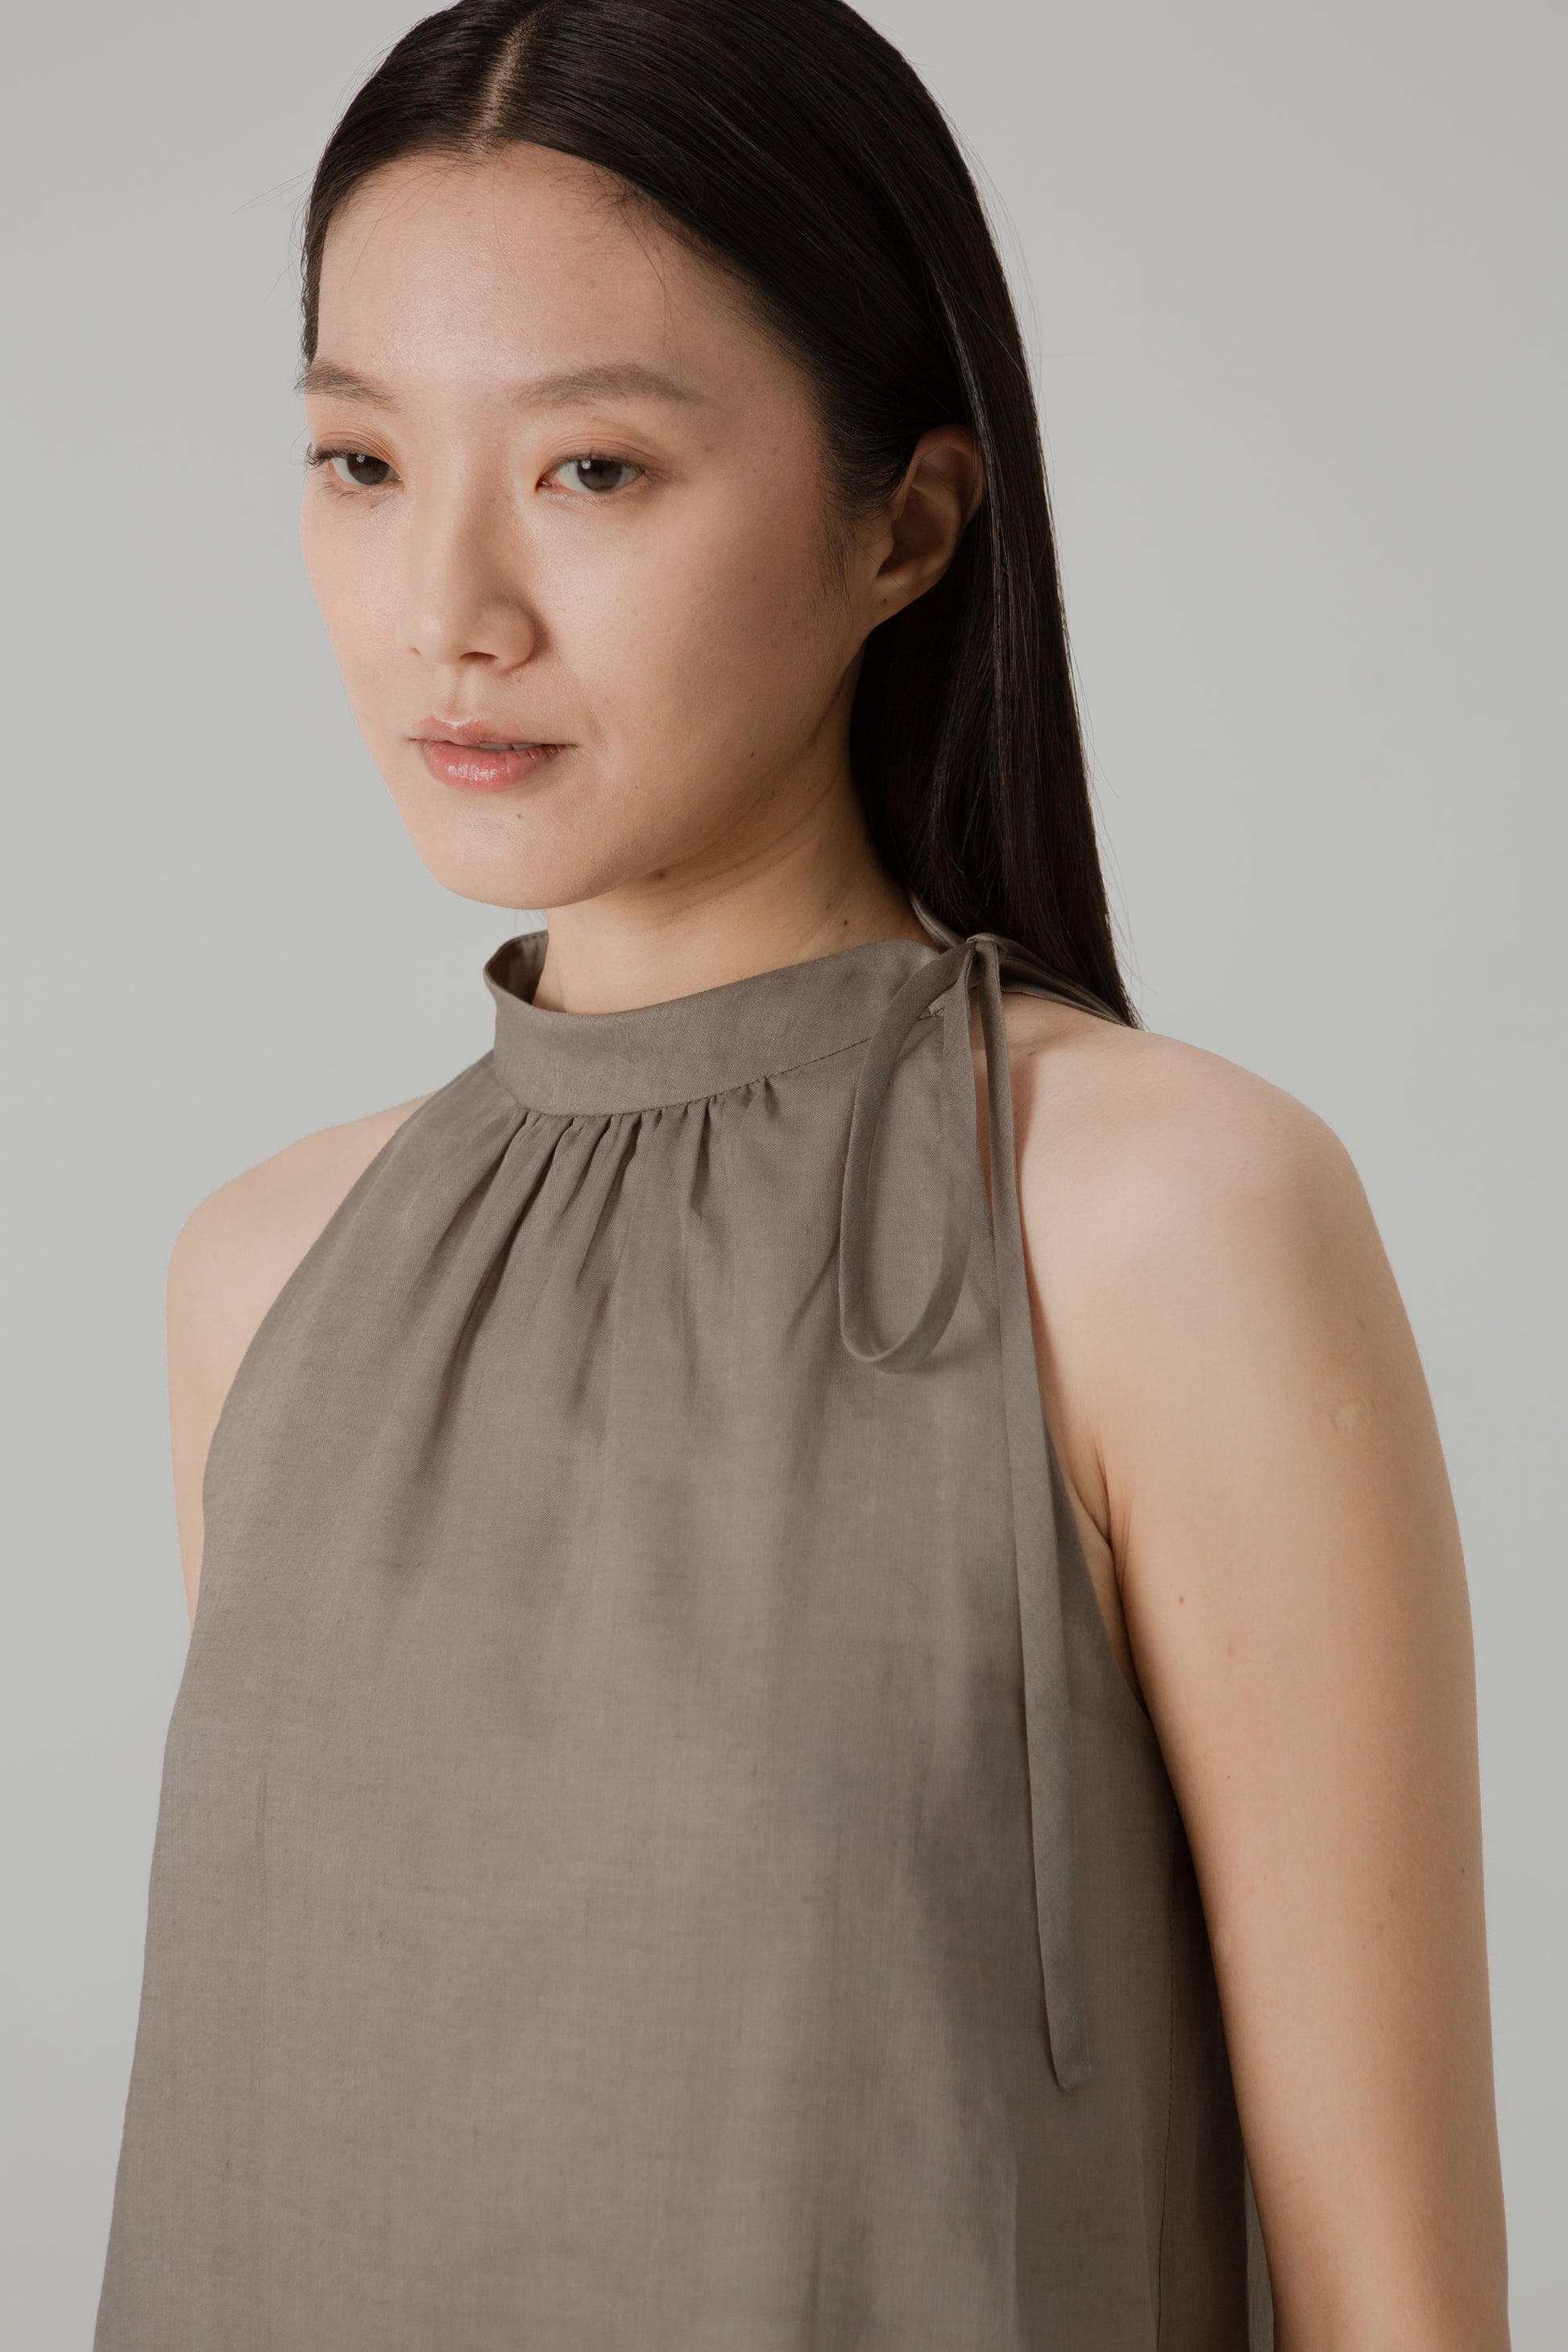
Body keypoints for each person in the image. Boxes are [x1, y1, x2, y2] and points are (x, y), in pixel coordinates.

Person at [94, 2, 1510, 2345]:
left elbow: (1400, 2305)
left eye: (594, 470)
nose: (449, 608)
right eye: (359, 460)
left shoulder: (1151, 1215)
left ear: (903, 523)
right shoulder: (266, 1276)